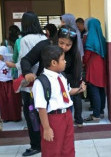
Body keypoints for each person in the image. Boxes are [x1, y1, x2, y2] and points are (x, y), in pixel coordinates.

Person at [21, 25, 83, 127]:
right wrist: (27, 72)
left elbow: (74, 77)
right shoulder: (45, 46)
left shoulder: (74, 54)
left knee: (62, 129)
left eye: (68, 45)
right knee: (40, 129)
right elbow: (26, 60)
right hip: (44, 92)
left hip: (62, 97)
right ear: (56, 38)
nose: (63, 47)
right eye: (61, 42)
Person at [32, 45, 85, 157]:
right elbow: (41, 107)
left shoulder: (61, 76)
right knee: (53, 150)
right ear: (54, 63)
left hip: (67, 115)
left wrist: (80, 89)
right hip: (53, 119)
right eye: (62, 59)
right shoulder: (41, 82)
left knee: (68, 148)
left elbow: (66, 92)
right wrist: (46, 128)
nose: (65, 62)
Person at [6, 11, 47, 156]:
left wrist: (12, 65)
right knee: (42, 112)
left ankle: (36, 145)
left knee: (31, 114)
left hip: (30, 83)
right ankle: (45, 142)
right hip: (44, 80)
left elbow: (24, 62)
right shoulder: (44, 37)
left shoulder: (24, 40)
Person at [83, 17, 107, 123]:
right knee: (101, 89)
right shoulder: (102, 38)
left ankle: (96, 115)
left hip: (93, 67)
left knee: (94, 90)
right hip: (102, 65)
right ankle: (101, 111)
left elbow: (87, 55)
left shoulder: (90, 38)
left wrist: (83, 62)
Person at [0, 46, 22, 122]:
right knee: (3, 101)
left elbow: (15, 69)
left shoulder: (10, 61)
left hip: (10, 83)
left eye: (1, 54)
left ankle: (15, 117)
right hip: (1, 84)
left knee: (12, 100)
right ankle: (5, 117)